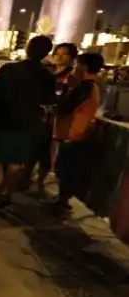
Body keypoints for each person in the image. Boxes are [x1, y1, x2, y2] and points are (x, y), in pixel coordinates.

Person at [0, 35, 56, 209]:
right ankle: (8, 195)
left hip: (2, 119)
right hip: (27, 123)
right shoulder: (47, 76)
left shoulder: (9, 69)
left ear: (28, 48)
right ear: (46, 53)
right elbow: (48, 101)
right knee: (15, 162)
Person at [48, 52, 103, 214]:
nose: (74, 67)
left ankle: (62, 200)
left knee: (66, 169)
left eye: (77, 63)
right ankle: (61, 198)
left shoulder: (85, 86)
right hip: (73, 133)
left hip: (73, 133)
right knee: (64, 167)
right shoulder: (90, 84)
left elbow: (65, 107)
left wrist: (67, 88)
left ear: (84, 66)